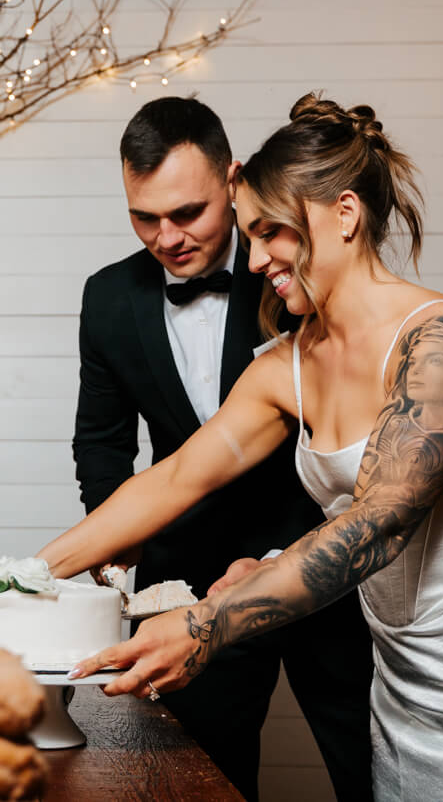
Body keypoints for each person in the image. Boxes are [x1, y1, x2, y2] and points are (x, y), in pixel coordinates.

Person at [43, 93, 443, 801]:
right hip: (402, 698)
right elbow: (172, 479)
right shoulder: (285, 365)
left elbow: (378, 522)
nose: (255, 258)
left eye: (272, 232)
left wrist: (207, 623)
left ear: (344, 214)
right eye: (250, 235)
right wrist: (19, 576)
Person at [71, 97, 374, 801]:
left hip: (318, 555)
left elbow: (355, 444)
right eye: (144, 217)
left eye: (187, 213)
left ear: (233, 181)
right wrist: (115, 539)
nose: (166, 236)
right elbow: (103, 441)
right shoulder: (108, 297)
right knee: (196, 779)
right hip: (187, 575)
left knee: (366, 761)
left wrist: (278, 557)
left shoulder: (297, 270)